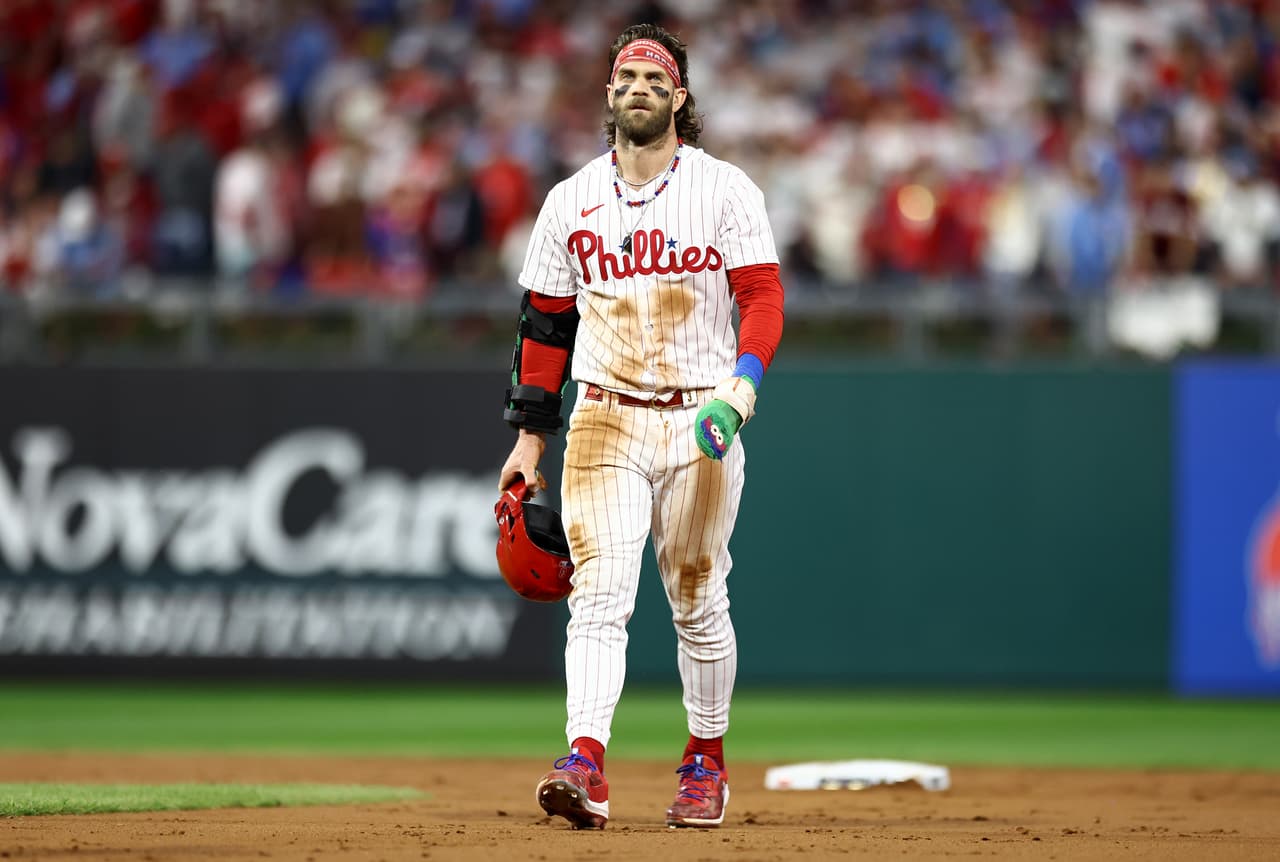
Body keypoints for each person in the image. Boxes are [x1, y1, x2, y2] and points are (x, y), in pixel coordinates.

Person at [497, 23, 785, 830]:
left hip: (703, 413)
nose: (640, 86)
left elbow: (763, 299)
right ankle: (584, 760)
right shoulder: (570, 202)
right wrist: (529, 439)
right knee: (599, 594)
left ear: (680, 98)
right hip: (605, 417)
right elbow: (545, 329)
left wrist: (741, 390)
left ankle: (705, 763)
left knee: (697, 597)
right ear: (610, 95)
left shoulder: (726, 189)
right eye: (627, 75)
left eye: (656, 77)